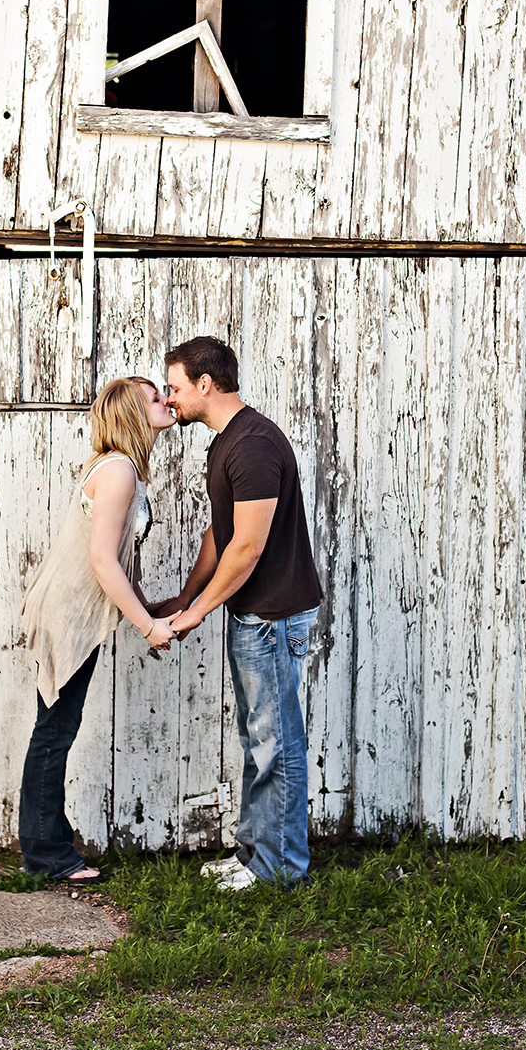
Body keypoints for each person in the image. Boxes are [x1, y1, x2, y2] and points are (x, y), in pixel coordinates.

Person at [159, 336, 322, 890]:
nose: (169, 398)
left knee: (277, 744)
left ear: (205, 384)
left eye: (174, 387)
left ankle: (280, 869)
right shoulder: (226, 443)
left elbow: (247, 548)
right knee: (261, 740)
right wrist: (186, 597)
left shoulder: (253, 445)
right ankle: (255, 856)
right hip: (253, 616)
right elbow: (220, 533)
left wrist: (198, 613)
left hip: (272, 618)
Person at [19, 376, 177, 882]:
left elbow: (116, 558)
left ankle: (46, 848)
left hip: (71, 609)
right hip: (68, 614)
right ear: (133, 414)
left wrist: (147, 607)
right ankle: (46, 856)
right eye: (155, 398)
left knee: (55, 728)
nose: (167, 400)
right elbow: (103, 562)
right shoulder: (119, 471)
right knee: (55, 731)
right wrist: (147, 626)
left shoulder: (119, 466)